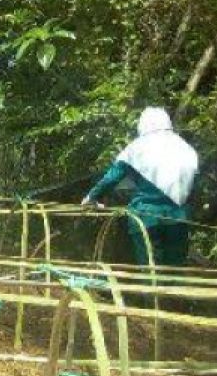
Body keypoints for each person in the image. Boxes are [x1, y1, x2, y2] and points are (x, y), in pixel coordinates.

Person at [83, 107, 199, 267]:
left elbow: (112, 177)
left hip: (145, 217)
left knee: (151, 270)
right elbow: (194, 186)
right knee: (174, 269)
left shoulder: (136, 147)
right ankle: (172, 291)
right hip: (178, 218)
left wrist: (91, 197)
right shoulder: (186, 148)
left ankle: (153, 292)